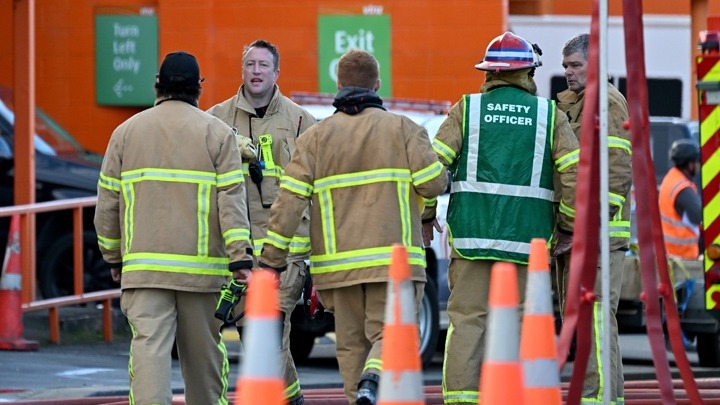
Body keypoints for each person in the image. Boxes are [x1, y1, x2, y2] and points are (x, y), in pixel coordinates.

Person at [259, 49, 448, 405]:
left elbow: (288, 204)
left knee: (349, 348)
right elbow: (433, 184)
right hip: (394, 264)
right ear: (377, 85)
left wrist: (271, 260)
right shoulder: (403, 129)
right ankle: (373, 379)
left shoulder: (314, 138)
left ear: (339, 84)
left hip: (338, 268)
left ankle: (360, 393)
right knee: (391, 333)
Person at [424, 32, 580, 405]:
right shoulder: (549, 115)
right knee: (526, 325)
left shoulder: (467, 109)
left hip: (472, 239)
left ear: (489, 72)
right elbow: (574, 174)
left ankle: (462, 399)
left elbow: (431, 169)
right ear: (528, 71)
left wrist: (427, 215)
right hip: (530, 242)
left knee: (468, 323)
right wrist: (568, 226)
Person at [94, 51, 254, 405]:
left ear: (157, 85)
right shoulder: (218, 134)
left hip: (144, 271)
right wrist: (240, 259)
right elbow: (231, 202)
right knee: (204, 362)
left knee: (149, 356)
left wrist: (114, 258)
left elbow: (107, 205)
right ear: (199, 88)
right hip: (201, 275)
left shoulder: (125, 133)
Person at [206, 39, 316, 405]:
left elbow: (319, 187)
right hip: (236, 253)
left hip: (286, 250)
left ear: (276, 73)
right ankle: (292, 397)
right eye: (250, 64)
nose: (256, 71)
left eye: (263, 65)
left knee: (265, 330)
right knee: (255, 333)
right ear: (242, 70)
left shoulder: (301, 121)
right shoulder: (217, 120)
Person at [554, 32, 633, 405]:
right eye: (565, 65)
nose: (567, 72)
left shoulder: (608, 103)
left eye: (575, 65)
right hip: (580, 230)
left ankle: (597, 399)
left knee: (596, 319)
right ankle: (605, 398)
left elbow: (617, 169)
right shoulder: (574, 103)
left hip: (599, 234)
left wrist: (592, 224)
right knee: (592, 322)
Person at [659, 139, 702, 259]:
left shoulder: (671, 178)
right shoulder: (683, 188)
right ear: (690, 164)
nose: (698, 165)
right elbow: (698, 217)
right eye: (697, 162)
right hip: (683, 256)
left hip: (671, 253)